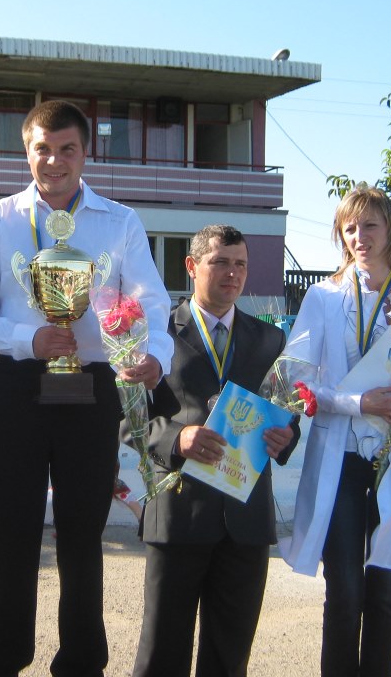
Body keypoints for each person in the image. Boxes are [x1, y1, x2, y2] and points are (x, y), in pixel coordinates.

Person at [0, 99, 173, 676]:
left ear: (85, 152)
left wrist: (154, 356)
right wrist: (28, 339)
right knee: (8, 534)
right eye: (42, 149)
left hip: (92, 392)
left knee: (83, 536)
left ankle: (81, 663)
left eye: (66, 149)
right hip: (15, 386)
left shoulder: (119, 222)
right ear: (26, 152)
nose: (54, 161)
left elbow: (152, 301)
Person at [278, 185, 391, 677]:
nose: (359, 236)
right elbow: (297, 378)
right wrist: (358, 403)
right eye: (349, 228)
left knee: (386, 593)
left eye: (369, 225)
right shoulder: (324, 297)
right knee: (345, 592)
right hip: (343, 459)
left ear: (389, 228)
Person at [133, 224, 300, 677]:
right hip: (178, 514)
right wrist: (177, 439)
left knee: (229, 660)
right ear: (191, 266)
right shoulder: (154, 335)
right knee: (161, 656)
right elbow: (129, 419)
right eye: (220, 262)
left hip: (245, 520)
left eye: (240, 264)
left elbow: (286, 411)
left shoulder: (270, 340)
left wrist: (287, 435)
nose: (232, 273)